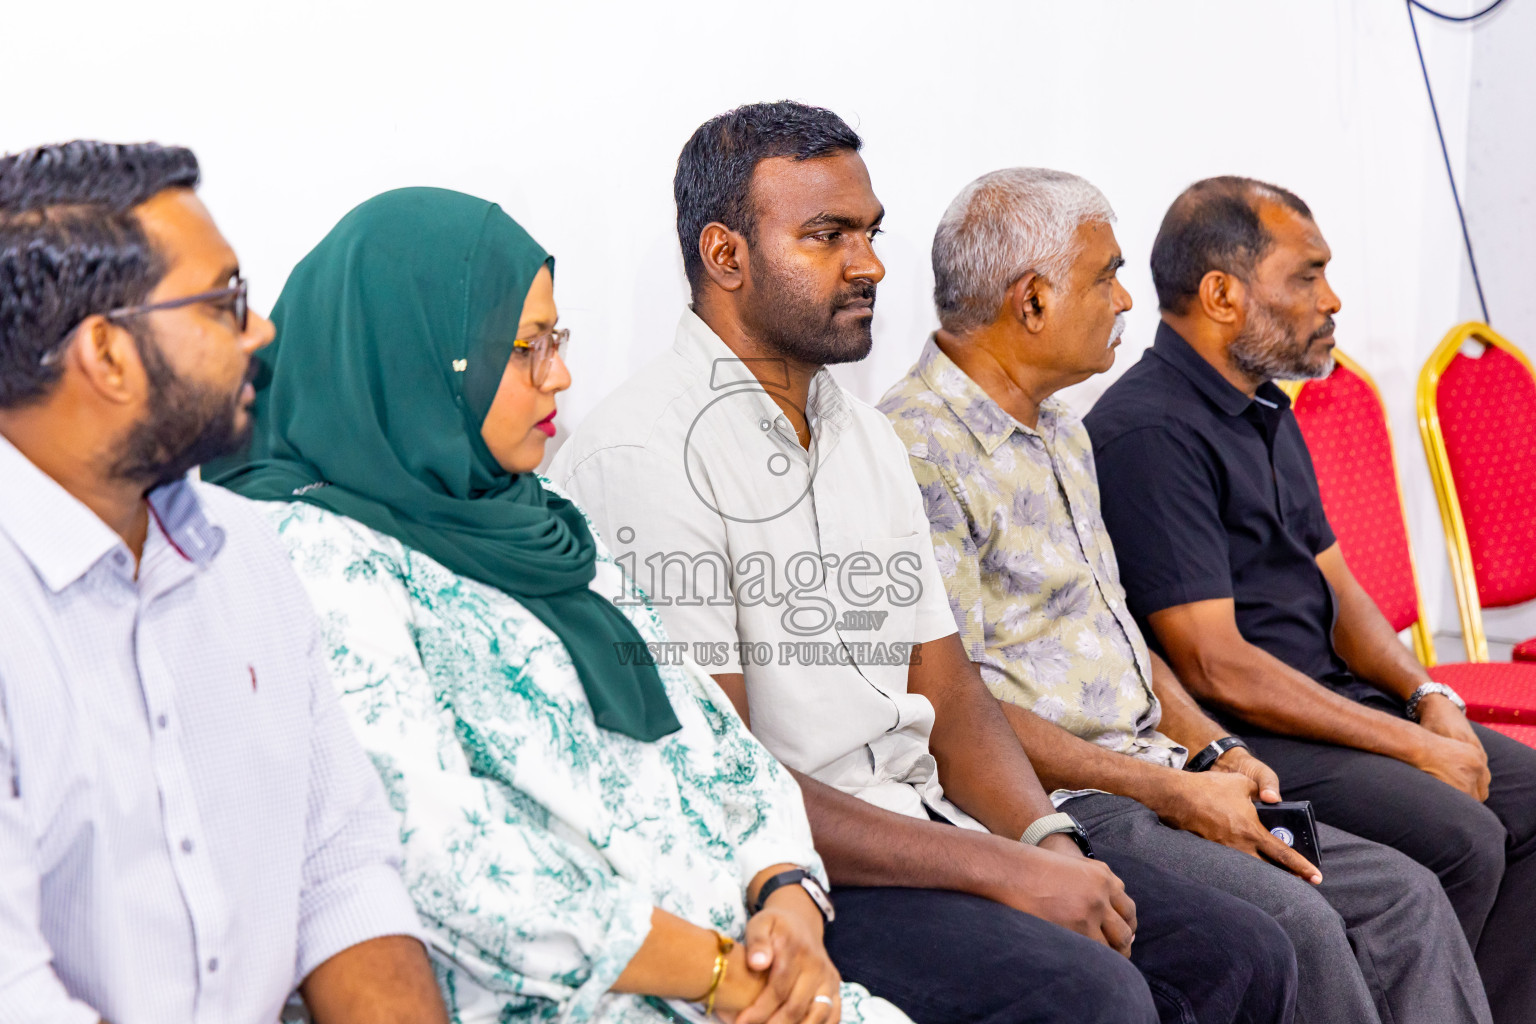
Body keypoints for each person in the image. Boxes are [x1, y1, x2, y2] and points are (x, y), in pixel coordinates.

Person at [554, 101, 1298, 1024]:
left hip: (925, 824)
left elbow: (948, 689)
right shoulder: (644, 456)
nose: (867, 263)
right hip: (799, 877)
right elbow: (729, 781)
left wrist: (1047, 842)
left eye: (868, 233)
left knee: (1245, 954)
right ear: (725, 256)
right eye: (826, 236)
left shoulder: (861, 435)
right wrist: (1003, 866)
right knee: (1092, 995)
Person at [214, 186, 911, 1024]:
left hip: (733, 966)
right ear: (414, 357)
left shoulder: (539, 517)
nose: (561, 374)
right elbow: (446, 860)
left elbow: (714, 739)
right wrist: (725, 970)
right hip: (562, 997)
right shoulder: (311, 554)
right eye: (525, 347)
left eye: (559, 338)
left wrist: (789, 896)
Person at [880, 166, 1492, 1024]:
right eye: (1107, 276)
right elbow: (958, 702)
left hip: (1162, 766)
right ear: (1032, 302)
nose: (1128, 299)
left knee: (1402, 894)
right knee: (1300, 928)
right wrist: (1170, 788)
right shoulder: (914, 449)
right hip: (1074, 797)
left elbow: (1121, 635)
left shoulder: (1058, 427)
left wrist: (1213, 753)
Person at [0, 142, 446, 1023]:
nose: (261, 331)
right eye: (223, 302)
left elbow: (340, 871)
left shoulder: (244, 549)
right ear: (107, 354)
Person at [1084, 175, 1536, 1024]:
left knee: (1530, 799)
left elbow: (1339, 586)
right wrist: (1408, 744)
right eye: (1306, 275)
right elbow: (1216, 665)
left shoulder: (1263, 405)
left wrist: (1428, 699)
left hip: (1335, 706)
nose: (1331, 299)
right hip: (1252, 734)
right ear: (1222, 294)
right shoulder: (1150, 430)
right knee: (1465, 834)